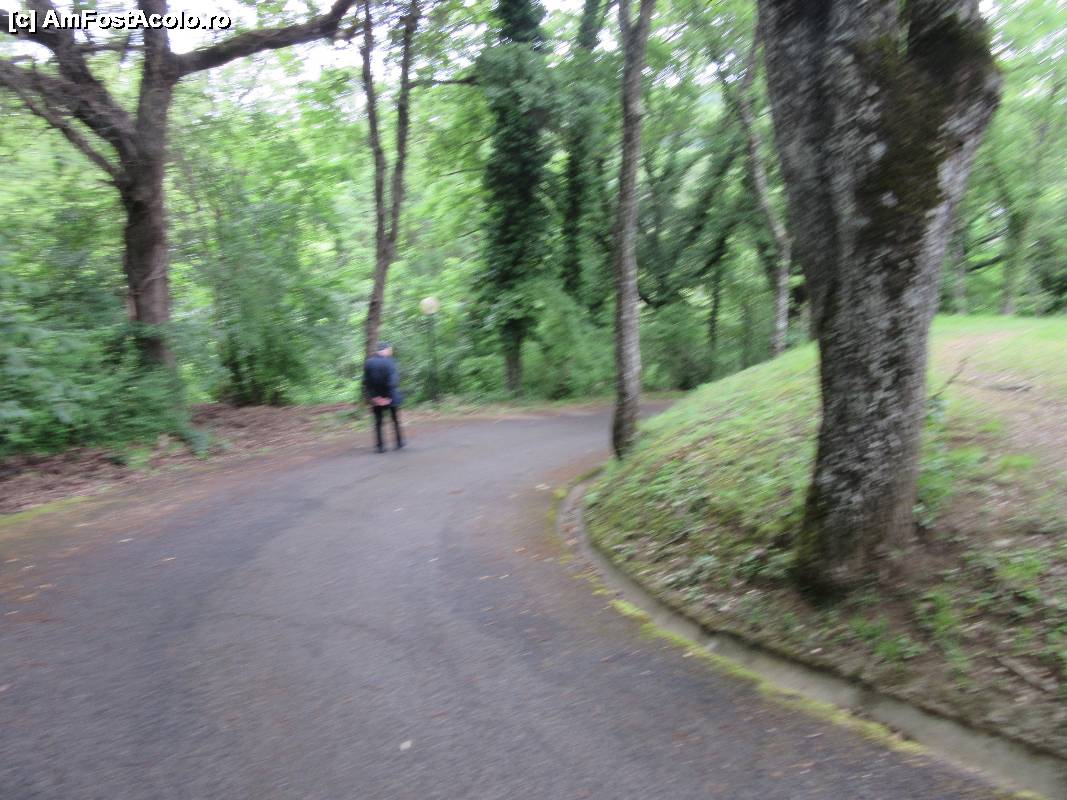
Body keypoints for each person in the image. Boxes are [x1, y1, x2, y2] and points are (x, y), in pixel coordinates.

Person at [363, 342, 405, 453]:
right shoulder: (390, 362)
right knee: (395, 420)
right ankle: (399, 442)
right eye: (390, 350)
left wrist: (375, 397)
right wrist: (388, 397)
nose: (391, 352)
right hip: (390, 396)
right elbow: (393, 381)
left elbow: (366, 382)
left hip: (376, 398)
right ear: (385, 350)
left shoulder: (369, 362)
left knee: (378, 422)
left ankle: (380, 446)